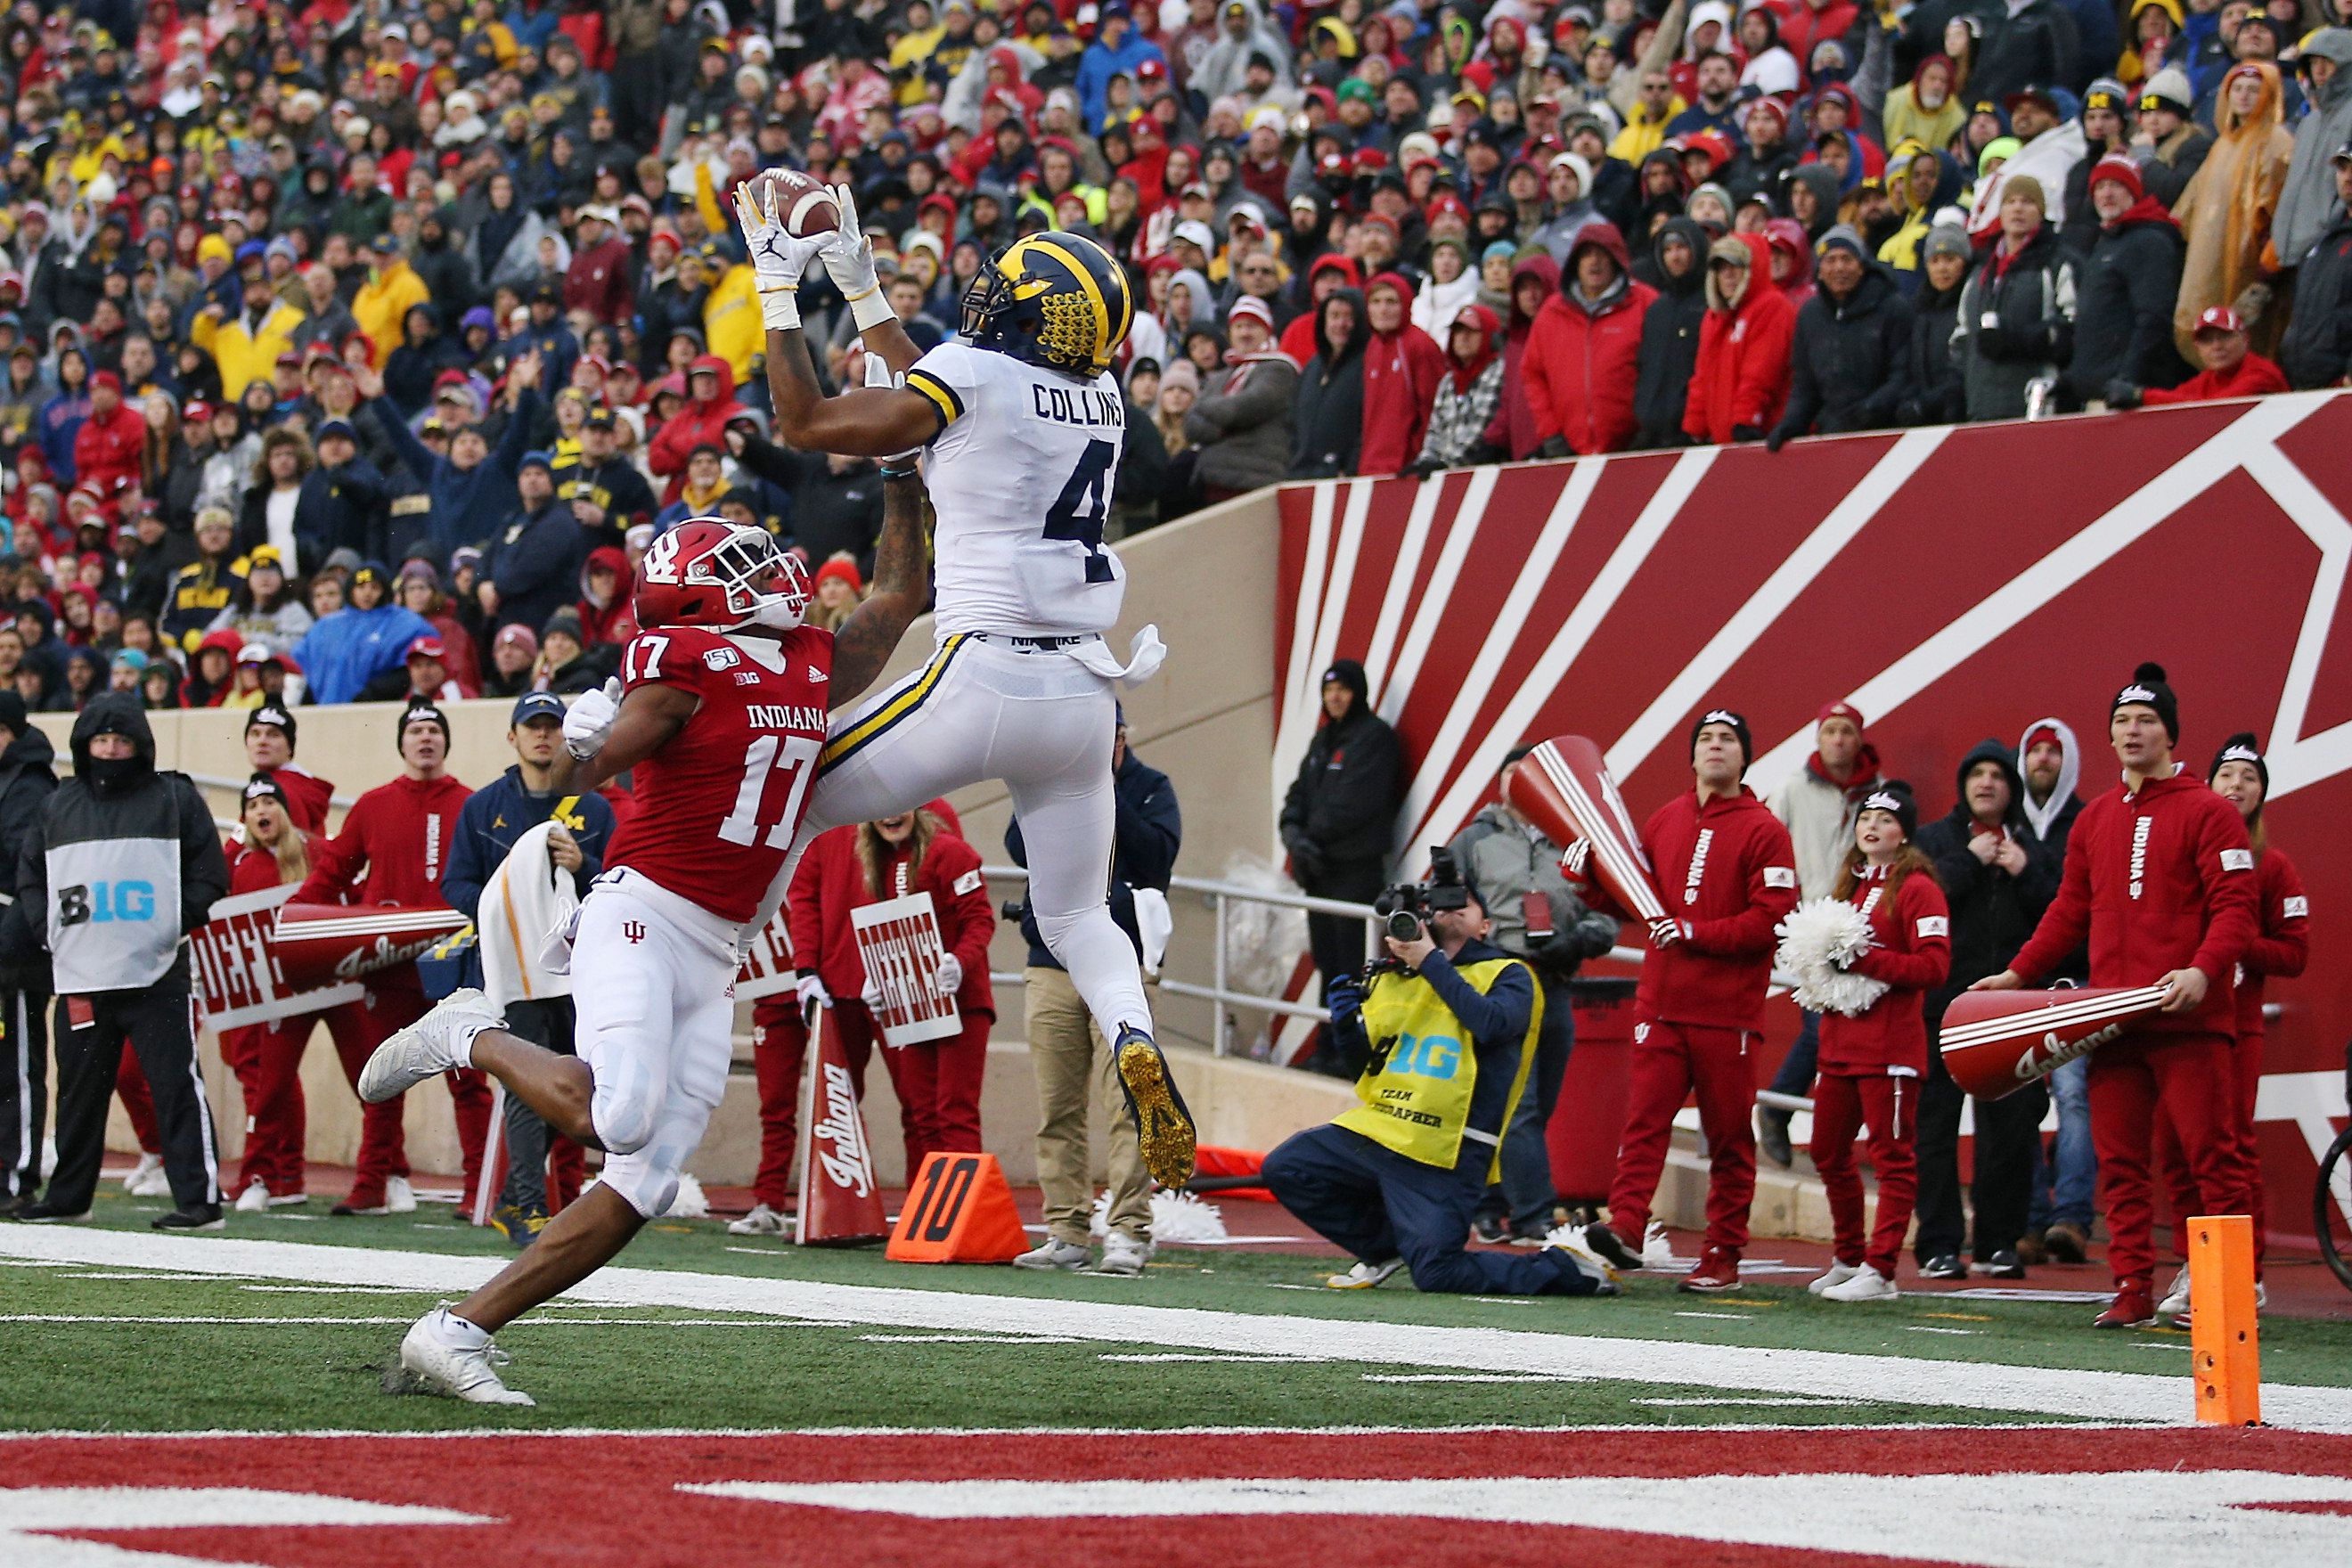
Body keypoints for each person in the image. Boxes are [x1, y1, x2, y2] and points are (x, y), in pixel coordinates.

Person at [359, 463, 935, 1404]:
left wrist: (902, 478)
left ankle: (455, 1329)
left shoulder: (807, 658)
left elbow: (901, 591)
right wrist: (589, 740)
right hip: (641, 913)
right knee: (618, 1116)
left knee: (649, 1176)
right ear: (700, 597)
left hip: (713, 953)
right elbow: (588, 773)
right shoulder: (680, 663)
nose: (773, 569)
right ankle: (467, 1027)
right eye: (743, 563)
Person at [717, 192, 1196, 1187]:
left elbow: (803, 420)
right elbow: (947, 372)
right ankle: (1135, 1034)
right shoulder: (1101, 394)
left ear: (1023, 315)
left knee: (786, 796)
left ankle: (691, 968)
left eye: (1006, 289)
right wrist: (857, 282)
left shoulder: (975, 373)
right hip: (1080, 695)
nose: (986, 295)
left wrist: (777, 281)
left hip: (982, 675)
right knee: (1073, 918)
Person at [1972, 663, 2259, 1329]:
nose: (2133, 731)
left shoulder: (2211, 812)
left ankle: (2226, 1293)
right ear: (2109, 736)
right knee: (2122, 1165)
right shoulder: (2096, 818)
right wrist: (2016, 976)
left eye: (2146, 721)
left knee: (2211, 1160)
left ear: (2169, 733)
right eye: (2122, 722)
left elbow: (2236, 911)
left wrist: (2202, 973)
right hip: (2112, 1024)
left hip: (2189, 1021)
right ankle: (2133, 1288)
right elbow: (2069, 913)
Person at [1259, 865, 1623, 1299]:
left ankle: (1565, 1269)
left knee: (1438, 1273)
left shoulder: (1509, 974)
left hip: (1450, 1147)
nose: (1449, 909)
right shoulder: (1397, 976)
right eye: (1440, 903)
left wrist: (1428, 961)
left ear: (1485, 926)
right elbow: (1368, 1073)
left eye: (1463, 904)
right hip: (1385, 1129)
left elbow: (1490, 1025)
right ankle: (1383, 1249)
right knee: (1287, 1167)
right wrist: (1344, 1024)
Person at [1578, 710, 1801, 1293]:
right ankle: (1626, 1227)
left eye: (1728, 739)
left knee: (1728, 1139)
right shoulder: (1664, 819)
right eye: (1706, 739)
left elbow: (1771, 920)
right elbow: (1634, 901)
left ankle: (1722, 1257)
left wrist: (1695, 933)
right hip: (1662, 1004)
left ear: (1745, 757)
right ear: (1693, 755)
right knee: (1644, 1123)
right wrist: (1584, 879)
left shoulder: (1765, 829)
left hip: (1728, 1014)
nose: (1716, 747)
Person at [0, 695, 229, 1229]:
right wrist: (46, 928)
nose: (110, 751)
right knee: (78, 1094)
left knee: (175, 1085)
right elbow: (31, 873)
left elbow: (209, 870)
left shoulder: (175, 798)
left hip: (157, 972)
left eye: (121, 742)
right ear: (84, 746)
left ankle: (199, 1200)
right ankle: (68, 1197)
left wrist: (173, 922)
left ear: (140, 746)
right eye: (101, 742)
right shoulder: (58, 803)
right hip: (82, 974)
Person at [294, 704, 489, 1217]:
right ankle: (371, 1186)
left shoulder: (473, 805)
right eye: (415, 731)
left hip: (455, 970)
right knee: (380, 1076)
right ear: (402, 744)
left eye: (433, 731)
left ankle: (480, 1190)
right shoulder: (373, 805)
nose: (425, 739)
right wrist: (294, 924)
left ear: (446, 743)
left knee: (468, 1080)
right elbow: (332, 873)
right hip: (387, 967)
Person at [439, 693, 617, 1247]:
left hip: (579, 967)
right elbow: (457, 884)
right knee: (524, 1081)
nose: (542, 736)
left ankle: (517, 1197)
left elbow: (619, 882)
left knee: (577, 1082)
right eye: (531, 726)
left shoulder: (595, 807)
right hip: (511, 968)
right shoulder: (483, 805)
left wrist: (582, 865)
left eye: (552, 727)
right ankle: (529, 1205)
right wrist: (506, 907)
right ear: (511, 736)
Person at [1009, 708, 1180, 1274]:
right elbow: (1018, 843)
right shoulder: (1053, 781)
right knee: (1057, 1106)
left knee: (1128, 1100)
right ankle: (1066, 1230)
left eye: (1098, 738)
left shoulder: (1152, 788)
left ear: (1121, 738)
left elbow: (1155, 858)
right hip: (1052, 962)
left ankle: (1130, 1231)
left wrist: (1103, 791)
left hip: (1122, 965)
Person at [2149, 733, 2306, 1327]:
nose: (2236, 787)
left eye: (2249, 779)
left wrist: (2231, 945)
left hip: (2236, 1029)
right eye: (2226, 776)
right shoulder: (2184, 854)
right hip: (2177, 1025)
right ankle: (2195, 1263)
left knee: (2229, 1147)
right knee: (2176, 1152)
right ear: (2207, 785)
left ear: (2263, 794)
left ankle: (2248, 1274)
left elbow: (2295, 954)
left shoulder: (2275, 865)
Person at [1448, 747, 1620, 1244]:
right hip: (1501, 982)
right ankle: (1534, 1217)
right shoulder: (1473, 841)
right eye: (1511, 774)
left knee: (1538, 1103)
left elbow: (1606, 915)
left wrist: (1579, 940)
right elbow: (1441, 907)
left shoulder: (1574, 842)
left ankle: (1488, 1201)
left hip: (1556, 980)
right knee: (1519, 1104)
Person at [1912, 739, 2061, 1279]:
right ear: (1963, 785)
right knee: (1935, 1130)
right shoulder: (1932, 842)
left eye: (1999, 775)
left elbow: (2063, 916)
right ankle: (1937, 1244)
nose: (1987, 783)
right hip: (1941, 1008)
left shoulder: (2034, 848)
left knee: (2014, 1131)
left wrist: (2025, 872)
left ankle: (1999, 1241)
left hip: (2015, 1012)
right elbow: (1914, 899)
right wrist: (1966, 864)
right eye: (1977, 773)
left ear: (2012, 788)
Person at [789, 806, 996, 1180]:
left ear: (919, 805)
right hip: (910, 1004)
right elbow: (887, 929)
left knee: (954, 1111)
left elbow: (979, 918)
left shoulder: (950, 851)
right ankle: (930, 1213)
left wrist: (958, 962)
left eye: (899, 804)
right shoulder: (876, 860)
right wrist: (879, 980)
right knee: (923, 1112)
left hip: (960, 1003)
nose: (890, 816)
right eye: (879, 810)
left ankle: (962, 1216)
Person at [1808, 785, 1951, 1303]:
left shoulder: (1917, 888)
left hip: (1890, 1051)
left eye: (1885, 819)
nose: (1871, 825)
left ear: (1905, 833)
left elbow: (1934, 966)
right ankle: (1849, 1256)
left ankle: (1882, 1268)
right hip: (1840, 1045)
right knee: (1826, 1149)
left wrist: (1865, 961)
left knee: (1891, 1156)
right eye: (1865, 816)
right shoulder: (1850, 884)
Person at [1758, 702, 1882, 1167]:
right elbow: (1766, 848)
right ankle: (1779, 1107)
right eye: (1830, 731)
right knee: (1821, 1025)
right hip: (1802, 927)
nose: (1838, 740)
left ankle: (1784, 1108)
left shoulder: (1878, 794)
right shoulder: (1793, 789)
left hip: (1856, 934)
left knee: (1835, 1030)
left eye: (1846, 731)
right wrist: (1776, 920)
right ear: (1818, 737)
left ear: (1859, 738)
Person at [1280, 658, 1405, 1076]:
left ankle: (1352, 1054)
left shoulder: (1375, 740)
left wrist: (1307, 838)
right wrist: (1293, 837)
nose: (1334, 698)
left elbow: (1354, 805)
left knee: (1354, 965)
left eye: (1342, 690)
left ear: (1358, 693)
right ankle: (1328, 1047)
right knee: (1327, 961)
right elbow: (1297, 796)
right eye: (1328, 690)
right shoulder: (1323, 741)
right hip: (1319, 873)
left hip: (1355, 872)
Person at [2013, 715, 2095, 1262]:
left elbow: (2070, 905)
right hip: (2017, 987)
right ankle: (2028, 1219)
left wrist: (2025, 870)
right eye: (2035, 751)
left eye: (2053, 751)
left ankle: (2070, 1217)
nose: (2043, 759)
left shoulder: (2086, 823)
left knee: (2073, 1099)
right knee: (2018, 1105)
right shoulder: (2001, 823)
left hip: (2075, 983)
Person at [1767, 228, 1914, 448]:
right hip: (1833, 432)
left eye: (1847, 259)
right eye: (1830, 260)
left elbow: (1904, 372)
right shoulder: (1809, 315)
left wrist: (1871, 409)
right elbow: (1805, 383)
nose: (1839, 268)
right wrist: (1791, 423)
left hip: (1888, 432)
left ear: (1862, 266)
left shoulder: (1892, 308)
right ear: (1819, 270)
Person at [1952, 176, 2078, 421]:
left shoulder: (2056, 264)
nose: (2018, 208)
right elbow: (1960, 340)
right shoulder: (1980, 273)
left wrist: (2016, 340)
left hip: (2037, 408)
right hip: (1980, 408)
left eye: (2028, 202)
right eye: (2010, 202)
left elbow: (2071, 329)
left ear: (2041, 212)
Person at [1525, 224, 1654, 457]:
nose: (1594, 262)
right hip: (1568, 454)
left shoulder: (1645, 303)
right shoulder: (1551, 313)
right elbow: (1533, 374)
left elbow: (1659, 370)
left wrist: (1647, 426)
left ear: (1617, 259)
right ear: (1576, 262)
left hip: (1635, 450)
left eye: (1603, 253)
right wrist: (1551, 433)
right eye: (1586, 255)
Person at [0, 690, 55, 1212]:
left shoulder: (31, 787)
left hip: (12, 955)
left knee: (15, 1066)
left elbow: (25, 875)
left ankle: (17, 1178)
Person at [1683, 233, 1795, 445]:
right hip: (1724, 442)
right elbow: (1702, 377)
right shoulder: (1713, 317)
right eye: (1721, 268)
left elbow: (1761, 372)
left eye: (1736, 266)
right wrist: (1694, 428)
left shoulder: (1773, 307)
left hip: (1762, 438)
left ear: (1754, 268)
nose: (1728, 275)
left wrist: (1747, 420)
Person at [2105, 305, 2287, 407]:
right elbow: (2174, 401)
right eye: (2207, 341)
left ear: (2245, 339)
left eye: (2225, 337)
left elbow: (2216, 409)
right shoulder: (2208, 379)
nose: (2217, 346)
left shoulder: (2261, 373)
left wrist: (2140, 396)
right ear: (2197, 348)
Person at [243, 704, 334, 835]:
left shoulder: (280, 791)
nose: (262, 741)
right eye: (255, 733)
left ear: (290, 747)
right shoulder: (295, 784)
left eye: (273, 735)